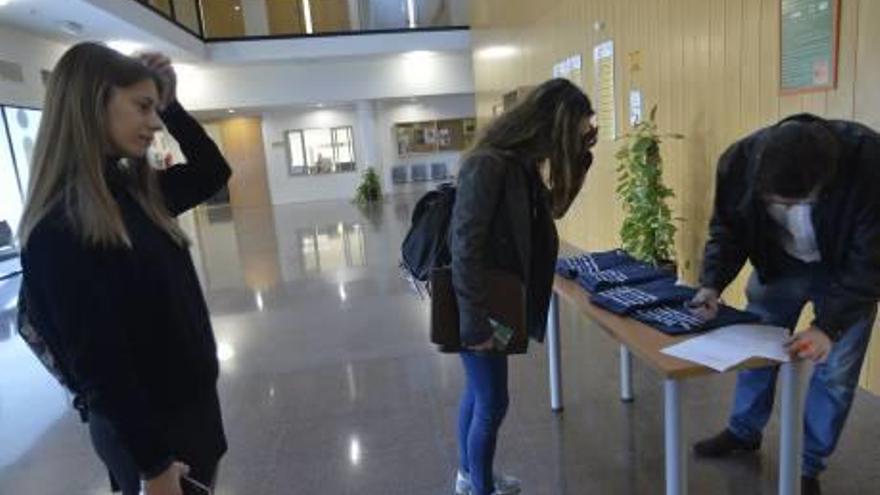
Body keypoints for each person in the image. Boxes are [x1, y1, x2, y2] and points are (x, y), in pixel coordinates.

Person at [18, 43, 231, 495]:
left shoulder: (136, 195)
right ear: (94, 103)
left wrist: (172, 105)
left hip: (193, 417)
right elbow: (101, 364)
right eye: (143, 107)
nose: (155, 122)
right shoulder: (61, 227)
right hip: (153, 439)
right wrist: (154, 467)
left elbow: (213, 171)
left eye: (156, 108)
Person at [690, 114, 880, 495]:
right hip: (777, 267)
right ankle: (744, 431)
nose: (787, 210)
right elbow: (728, 229)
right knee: (756, 350)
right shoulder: (738, 162)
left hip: (845, 273)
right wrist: (711, 284)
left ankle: (806, 466)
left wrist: (829, 327)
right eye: (778, 203)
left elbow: (872, 259)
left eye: (798, 203)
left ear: (826, 181)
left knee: (837, 374)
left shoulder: (870, 162)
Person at [450, 78, 598, 495]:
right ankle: (478, 488)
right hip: (481, 304)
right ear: (552, 125)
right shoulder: (488, 164)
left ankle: (468, 476)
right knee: (493, 401)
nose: (576, 139)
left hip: (496, 299)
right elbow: (464, 246)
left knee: (479, 394)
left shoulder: (519, 163)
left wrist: (582, 159)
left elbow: (555, 208)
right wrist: (474, 324)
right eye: (575, 132)